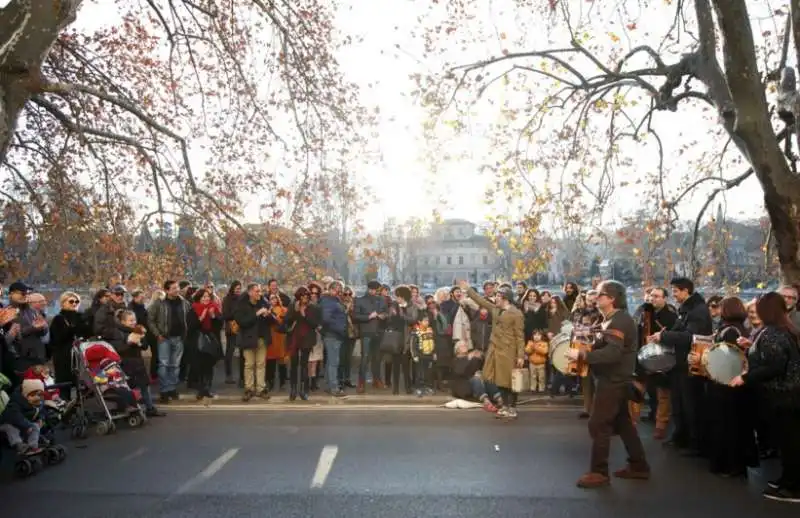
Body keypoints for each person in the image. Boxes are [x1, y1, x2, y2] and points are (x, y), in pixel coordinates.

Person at [567, 280, 649, 489]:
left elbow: (612, 353)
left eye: (601, 294)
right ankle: (639, 465)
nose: (596, 297)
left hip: (612, 380)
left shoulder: (619, 321)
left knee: (599, 424)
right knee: (623, 424)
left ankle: (599, 472)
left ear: (612, 298)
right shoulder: (612, 319)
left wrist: (583, 354)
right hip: (615, 379)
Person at [460, 281, 525, 420]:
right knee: (498, 379)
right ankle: (505, 406)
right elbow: (481, 301)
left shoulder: (516, 313)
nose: (495, 298)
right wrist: (468, 290)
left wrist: (520, 355)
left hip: (509, 350)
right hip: (495, 349)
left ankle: (512, 407)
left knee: (510, 381)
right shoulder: (495, 309)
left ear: (505, 298)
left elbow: (520, 336)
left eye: (498, 296)